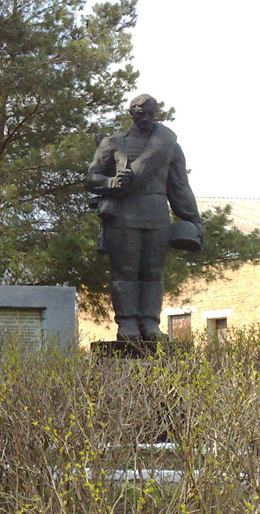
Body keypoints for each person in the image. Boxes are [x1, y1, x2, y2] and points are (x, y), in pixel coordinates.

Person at [85, 94, 203, 341]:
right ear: (131, 114)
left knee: (152, 271)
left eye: (150, 113)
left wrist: (193, 219)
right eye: (141, 114)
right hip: (124, 215)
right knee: (125, 270)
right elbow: (92, 178)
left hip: (157, 214)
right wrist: (111, 182)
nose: (146, 118)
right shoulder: (113, 142)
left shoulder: (168, 145)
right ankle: (127, 323)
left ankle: (150, 323)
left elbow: (180, 186)